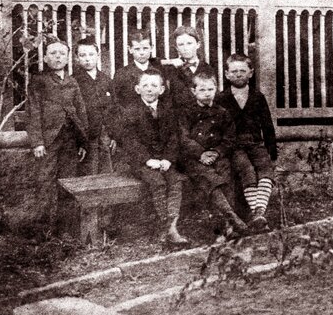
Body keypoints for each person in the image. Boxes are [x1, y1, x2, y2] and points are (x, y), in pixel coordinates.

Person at [112, 71, 189, 245]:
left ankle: (171, 227)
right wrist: (147, 160)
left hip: (164, 161)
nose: (149, 89)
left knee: (175, 180)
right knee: (157, 182)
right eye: (145, 85)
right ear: (137, 89)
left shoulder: (168, 110)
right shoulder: (130, 111)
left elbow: (173, 138)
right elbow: (129, 141)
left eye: (154, 85)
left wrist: (168, 159)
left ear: (162, 90)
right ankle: (166, 227)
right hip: (141, 162)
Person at [27, 37, 88, 230]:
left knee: (68, 184)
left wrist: (83, 142)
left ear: (69, 58)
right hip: (48, 141)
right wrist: (37, 142)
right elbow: (33, 111)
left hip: (69, 139)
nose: (58, 57)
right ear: (45, 58)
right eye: (53, 53)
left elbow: (81, 111)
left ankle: (67, 230)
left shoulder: (72, 82)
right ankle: (43, 231)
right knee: (45, 183)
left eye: (62, 53)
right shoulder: (38, 81)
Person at [177, 71, 247, 236]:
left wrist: (216, 152)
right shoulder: (186, 113)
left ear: (216, 89)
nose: (207, 93)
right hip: (193, 158)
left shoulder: (222, 113)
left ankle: (228, 226)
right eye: (202, 90)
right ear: (193, 91)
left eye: (210, 89)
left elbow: (229, 139)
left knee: (226, 172)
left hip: (216, 156)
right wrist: (201, 153)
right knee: (209, 177)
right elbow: (183, 138)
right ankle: (232, 218)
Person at [216, 54, 277, 232]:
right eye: (234, 71)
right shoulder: (222, 98)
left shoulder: (258, 97)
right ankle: (256, 214)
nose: (238, 75)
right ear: (227, 74)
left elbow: (267, 125)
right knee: (247, 170)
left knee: (265, 168)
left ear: (250, 73)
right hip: (234, 146)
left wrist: (272, 152)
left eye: (242, 71)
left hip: (255, 143)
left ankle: (258, 213)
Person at [73, 37, 116, 175]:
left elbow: (115, 108)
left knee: (107, 172)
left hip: (105, 135)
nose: (87, 59)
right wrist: (80, 140)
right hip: (86, 136)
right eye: (82, 55)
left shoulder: (106, 80)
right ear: (76, 58)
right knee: (89, 172)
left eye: (91, 54)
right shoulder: (73, 81)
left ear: (98, 56)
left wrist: (114, 135)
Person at [163, 25, 217, 109]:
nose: (185, 48)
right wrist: (169, 61)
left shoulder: (207, 68)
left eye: (189, 43)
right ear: (177, 48)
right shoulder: (171, 68)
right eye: (181, 44)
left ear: (198, 44)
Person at [112, 29, 163, 105]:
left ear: (151, 48)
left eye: (145, 48)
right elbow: (116, 102)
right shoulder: (121, 74)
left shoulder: (159, 70)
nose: (141, 53)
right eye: (137, 49)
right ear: (130, 49)